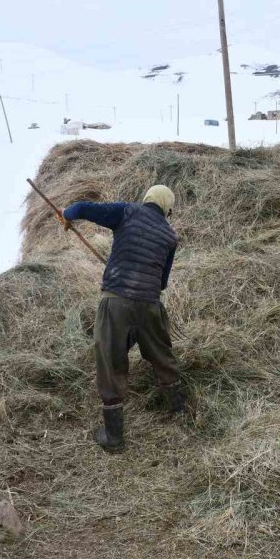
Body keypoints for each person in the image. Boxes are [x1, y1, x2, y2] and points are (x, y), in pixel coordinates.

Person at [62, 185, 184, 452]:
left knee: (111, 361)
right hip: (150, 306)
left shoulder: (126, 212)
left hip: (116, 303)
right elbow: (161, 282)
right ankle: (180, 413)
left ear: (147, 199)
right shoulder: (169, 235)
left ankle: (114, 437)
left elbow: (82, 208)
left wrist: (66, 215)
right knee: (162, 356)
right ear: (166, 207)